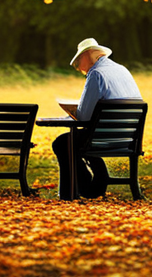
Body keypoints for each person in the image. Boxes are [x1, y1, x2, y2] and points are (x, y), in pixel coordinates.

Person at [52, 38, 142, 199]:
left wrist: (73, 112)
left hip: (101, 138)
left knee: (61, 143)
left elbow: (84, 116)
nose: (79, 67)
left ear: (88, 55)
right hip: (128, 138)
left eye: (79, 60)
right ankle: (95, 180)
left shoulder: (96, 74)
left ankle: (72, 192)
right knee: (76, 141)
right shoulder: (122, 70)